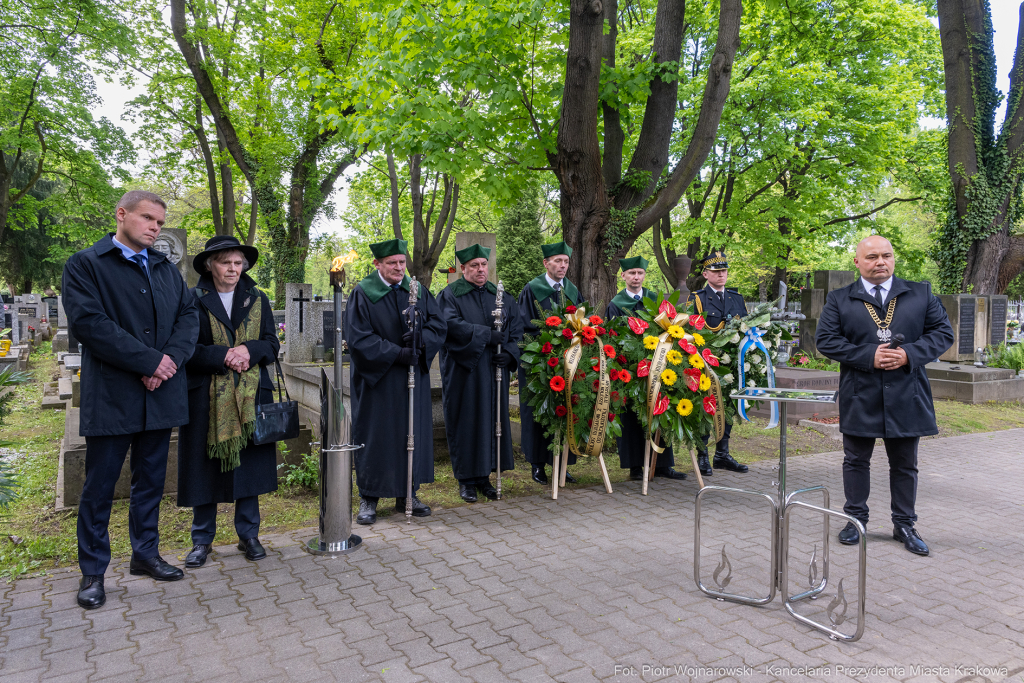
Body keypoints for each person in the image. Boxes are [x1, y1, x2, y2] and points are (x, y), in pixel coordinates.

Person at [62, 190, 199, 609]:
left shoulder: (165, 268)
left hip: (161, 393)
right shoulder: (87, 264)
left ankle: (145, 554)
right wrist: (149, 362)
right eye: (147, 218)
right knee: (100, 487)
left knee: (151, 482)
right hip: (114, 395)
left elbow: (188, 317)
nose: (155, 227)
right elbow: (90, 324)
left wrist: (169, 363)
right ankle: (93, 572)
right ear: (121, 215)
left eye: (159, 221)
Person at [816, 235, 953, 556]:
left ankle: (904, 524)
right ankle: (855, 520)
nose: (880, 262)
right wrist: (868, 356)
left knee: (905, 464)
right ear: (857, 262)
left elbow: (942, 333)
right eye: (872, 257)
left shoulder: (920, 293)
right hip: (860, 393)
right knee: (855, 460)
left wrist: (908, 354)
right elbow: (826, 340)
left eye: (886, 256)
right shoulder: (839, 299)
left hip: (907, 392)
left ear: (894, 259)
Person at [176, 236, 281, 569]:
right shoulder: (192, 300)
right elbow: (185, 348)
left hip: (251, 397)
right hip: (207, 396)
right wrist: (224, 355)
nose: (233, 269)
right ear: (210, 265)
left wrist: (249, 351)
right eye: (226, 263)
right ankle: (202, 540)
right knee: (205, 469)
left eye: (238, 263)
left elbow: (271, 344)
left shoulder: (257, 299)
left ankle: (249, 534)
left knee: (248, 468)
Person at [346, 239, 447, 525]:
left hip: (412, 376)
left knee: (410, 433)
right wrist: (397, 353)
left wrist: (421, 341)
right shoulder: (363, 294)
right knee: (376, 435)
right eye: (392, 263)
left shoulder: (417, 290)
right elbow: (358, 339)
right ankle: (369, 496)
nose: (399, 268)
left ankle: (408, 494)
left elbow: (438, 324)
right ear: (377, 264)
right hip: (378, 380)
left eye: (402, 262)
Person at [437, 245, 523, 502]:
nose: (480, 270)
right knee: (467, 421)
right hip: (465, 371)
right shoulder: (450, 295)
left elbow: (517, 329)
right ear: (463, 268)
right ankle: (466, 479)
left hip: (495, 370)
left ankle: (485, 477)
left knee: (492, 420)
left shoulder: (501, 295)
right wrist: (486, 335)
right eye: (474, 265)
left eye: (483, 265)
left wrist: (509, 353)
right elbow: (450, 326)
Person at [605, 256, 686, 481]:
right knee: (632, 415)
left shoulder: (654, 300)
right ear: (623, 276)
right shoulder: (616, 304)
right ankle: (635, 467)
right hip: (629, 370)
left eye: (640, 273)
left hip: (657, 365)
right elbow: (612, 337)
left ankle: (662, 465)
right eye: (632, 273)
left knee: (661, 410)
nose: (636, 277)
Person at [517, 241, 586, 484]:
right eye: (558, 261)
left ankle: (562, 463)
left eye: (566, 261)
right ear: (546, 263)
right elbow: (523, 328)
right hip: (538, 362)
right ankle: (537, 464)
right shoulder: (531, 290)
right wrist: (545, 347)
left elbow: (581, 323)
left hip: (567, 363)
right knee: (538, 410)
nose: (563, 266)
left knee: (565, 409)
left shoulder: (573, 290)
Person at [688, 250, 748, 476]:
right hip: (706, 363)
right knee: (706, 407)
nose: (721, 275)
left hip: (732, 363)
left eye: (724, 271)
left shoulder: (736, 298)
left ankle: (722, 455)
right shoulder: (698, 298)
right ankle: (703, 454)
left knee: (729, 407)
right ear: (705, 274)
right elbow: (692, 331)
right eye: (716, 271)